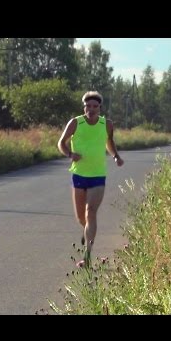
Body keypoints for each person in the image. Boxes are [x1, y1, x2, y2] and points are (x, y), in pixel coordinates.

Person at [57, 91, 124, 268]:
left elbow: (109, 141)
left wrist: (116, 155)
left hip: (98, 175)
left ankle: (87, 256)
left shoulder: (106, 124)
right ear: (84, 107)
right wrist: (70, 154)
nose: (92, 109)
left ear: (100, 108)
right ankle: (87, 231)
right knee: (81, 218)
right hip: (79, 175)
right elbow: (61, 143)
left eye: (95, 106)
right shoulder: (75, 123)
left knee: (91, 211)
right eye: (88, 106)